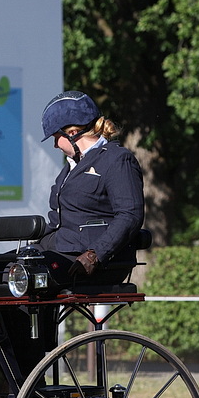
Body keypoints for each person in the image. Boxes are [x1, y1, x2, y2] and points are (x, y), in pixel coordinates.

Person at [30, 90, 144, 286]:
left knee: (25, 275)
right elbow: (57, 222)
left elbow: (130, 214)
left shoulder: (116, 159)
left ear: (72, 133)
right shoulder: (69, 169)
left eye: (56, 137)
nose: (55, 145)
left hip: (93, 260)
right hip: (59, 249)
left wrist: (96, 254)